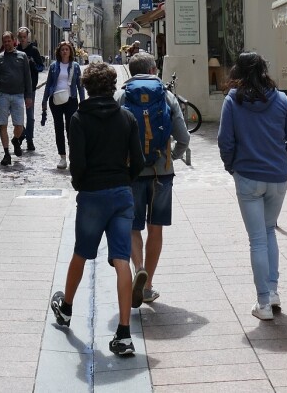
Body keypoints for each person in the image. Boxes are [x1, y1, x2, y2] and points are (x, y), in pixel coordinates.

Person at [49, 61, 144, 358]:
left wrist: (82, 185)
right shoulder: (127, 117)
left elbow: (77, 164)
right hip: (120, 194)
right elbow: (138, 161)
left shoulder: (78, 119)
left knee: (81, 253)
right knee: (120, 259)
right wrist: (124, 181)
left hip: (92, 194)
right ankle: (125, 334)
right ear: (112, 86)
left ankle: (66, 309)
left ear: (87, 87)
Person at [217, 51, 287, 321]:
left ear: (237, 72)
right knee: (269, 231)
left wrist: (232, 166)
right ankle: (273, 291)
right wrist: (284, 162)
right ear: (264, 69)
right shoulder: (282, 99)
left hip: (248, 175)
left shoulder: (232, 101)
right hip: (277, 176)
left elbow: (225, 141)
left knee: (257, 240)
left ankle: (263, 303)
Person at [119, 52, 189, 308]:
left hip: (131, 172)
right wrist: (171, 158)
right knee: (155, 227)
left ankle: (138, 267)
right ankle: (147, 287)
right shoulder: (166, 95)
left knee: (132, 226)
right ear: (152, 69)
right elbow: (184, 137)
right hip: (162, 172)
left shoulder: (123, 95)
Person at [40, 41, 86, 170]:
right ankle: (62, 157)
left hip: (71, 100)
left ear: (70, 51)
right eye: (62, 50)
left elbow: (80, 86)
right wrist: (44, 101)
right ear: (59, 52)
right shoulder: (54, 66)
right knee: (58, 127)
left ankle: (73, 156)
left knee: (71, 127)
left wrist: (82, 101)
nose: (64, 51)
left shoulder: (75, 66)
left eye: (67, 49)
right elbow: (49, 84)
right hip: (55, 100)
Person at [0, 31, 31, 166]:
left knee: (19, 125)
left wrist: (28, 96)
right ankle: (6, 153)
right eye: (4, 41)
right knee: (3, 125)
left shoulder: (22, 56)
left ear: (14, 41)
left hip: (18, 95)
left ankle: (15, 139)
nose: (7, 44)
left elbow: (27, 78)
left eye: (9, 41)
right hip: (2, 95)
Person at [16, 27, 46, 152]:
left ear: (28, 37)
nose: (23, 39)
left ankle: (30, 139)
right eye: (20, 37)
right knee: (17, 114)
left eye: (24, 37)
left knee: (30, 115)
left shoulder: (33, 50)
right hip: (17, 87)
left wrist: (32, 63)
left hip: (30, 87)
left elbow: (41, 67)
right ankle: (22, 133)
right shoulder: (16, 50)